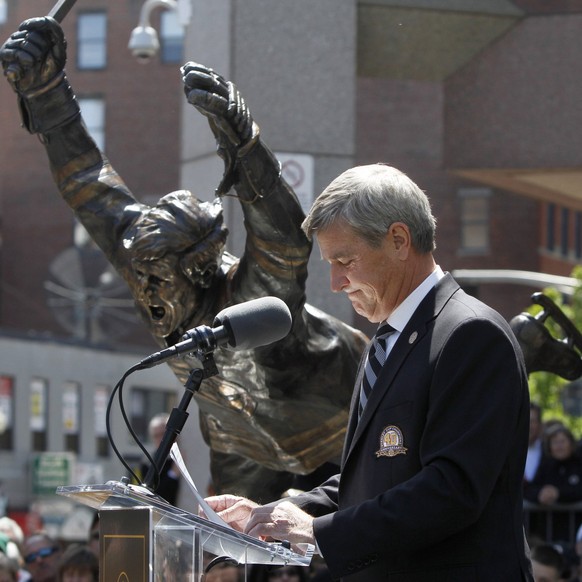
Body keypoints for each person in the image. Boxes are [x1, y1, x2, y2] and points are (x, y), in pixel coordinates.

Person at [0, 16, 367, 503]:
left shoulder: (250, 299)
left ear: (196, 271)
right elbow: (88, 183)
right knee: (231, 558)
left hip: (340, 418)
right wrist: (45, 92)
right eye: (143, 278)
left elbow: (284, 243)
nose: (145, 290)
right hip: (243, 442)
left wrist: (247, 148)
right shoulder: (145, 260)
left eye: (158, 280)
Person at [202, 164, 533, 580]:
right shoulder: (386, 341)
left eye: (345, 260)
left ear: (398, 240)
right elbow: (376, 479)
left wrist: (316, 531)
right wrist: (284, 512)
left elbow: (452, 490)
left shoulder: (470, 334)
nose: (337, 282)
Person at [525, 424, 582, 542]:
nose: (559, 446)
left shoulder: (578, 464)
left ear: (571, 443)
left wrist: (558, 494)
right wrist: (540, 494)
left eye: (562, 441)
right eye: (555, 442)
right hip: (546, 533)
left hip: (574, 532)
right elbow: (530, 489)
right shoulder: (546, 466)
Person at [134, 413, 181, 505]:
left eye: (163, 434)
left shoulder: (179, 454)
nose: (161, 438)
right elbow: (155, 494)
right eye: (156, 435)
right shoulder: (148, 463)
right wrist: (173, 474)